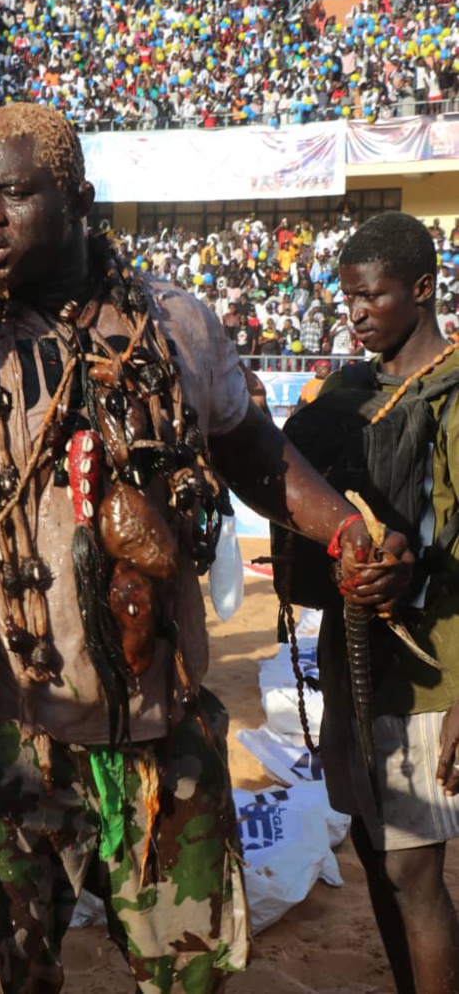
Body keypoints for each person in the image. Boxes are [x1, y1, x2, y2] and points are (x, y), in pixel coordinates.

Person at [0, 104, 410, 994]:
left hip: (156, 721)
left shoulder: (177, 325)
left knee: (191, 975)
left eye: (15, 193)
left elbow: (257, 452)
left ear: (78, 201)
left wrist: (344, 530)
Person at [287, 213, 459, 994]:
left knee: (416, 876)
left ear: (422, 290)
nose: (355, 312)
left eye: (373, 296)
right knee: (376, 857)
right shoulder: (346, 397)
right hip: (355, 667)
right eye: (347, 296)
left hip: (434, 675)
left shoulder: (455, 394)